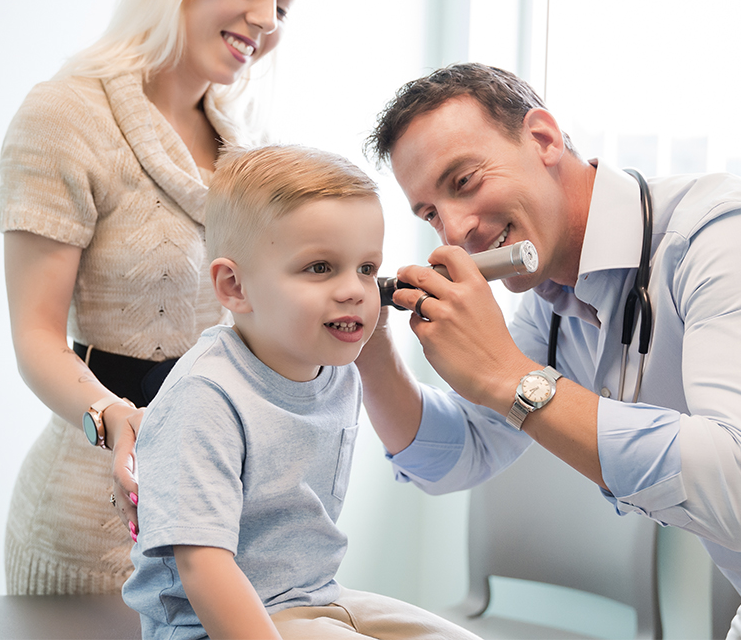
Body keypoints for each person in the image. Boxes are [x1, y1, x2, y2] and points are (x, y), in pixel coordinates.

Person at [355, 63, 741, 640]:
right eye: (431, 213)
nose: (457, 230)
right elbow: (460, 454)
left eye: (464, 181)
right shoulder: (554, 298)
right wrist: (370, 348)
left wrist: (509, 377)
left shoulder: (733, 241)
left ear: (542, 138)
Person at [0, 0, 295, 594]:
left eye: (282, 5)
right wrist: (112, 418)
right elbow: (36, 340)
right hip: (88, 514)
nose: (267, 18)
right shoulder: (65, 117)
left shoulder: (249, 147)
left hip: (215, 508)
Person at [121, 144, 482, 640]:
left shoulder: (337, 373)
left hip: (314, 597)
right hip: (209, 625)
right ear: (234, 287)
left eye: (365, 267)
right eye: (320, 268)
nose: (355, 290)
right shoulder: (205, 396)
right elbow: (205, 569)